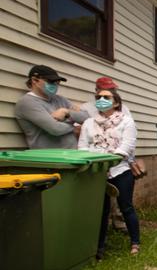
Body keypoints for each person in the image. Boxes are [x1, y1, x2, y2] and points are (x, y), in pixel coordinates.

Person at [78, 89, 140, 257]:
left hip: (119, 170)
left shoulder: (126, 122)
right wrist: (94, 163)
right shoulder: (89, 123)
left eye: (106, 97)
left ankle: (135, 242)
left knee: (126, 207)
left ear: (116, 102)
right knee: (101, 210)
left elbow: (127, 146)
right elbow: (83, 146)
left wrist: (107, 161)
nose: (101, 99)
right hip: (95, 172)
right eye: (98, 97)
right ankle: (99, 247)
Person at [15, 65, 88, 148]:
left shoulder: (60, 99)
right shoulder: (27, 103)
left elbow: (86, 117)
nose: (55, 85)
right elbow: (55, 129)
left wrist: (67, 112)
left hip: (72, 154)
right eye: (51, 82)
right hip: (50, 157)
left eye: (57, 83)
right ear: (35, 80)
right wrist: (75, 127)